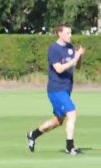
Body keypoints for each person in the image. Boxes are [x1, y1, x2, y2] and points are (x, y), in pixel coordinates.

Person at [27, 24, 85, 155]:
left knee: (58, 121)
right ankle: (70, 147)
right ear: (60, 33)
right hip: (56, 89)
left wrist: (79, 57)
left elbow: (77, 66)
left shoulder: (70, 47)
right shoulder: (53, 49)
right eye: (68, 33)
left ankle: (33, 134)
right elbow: (59, 69)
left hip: (66, 89)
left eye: (70, 32)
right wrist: (74, 59)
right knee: (72, 113)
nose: (70, 35)